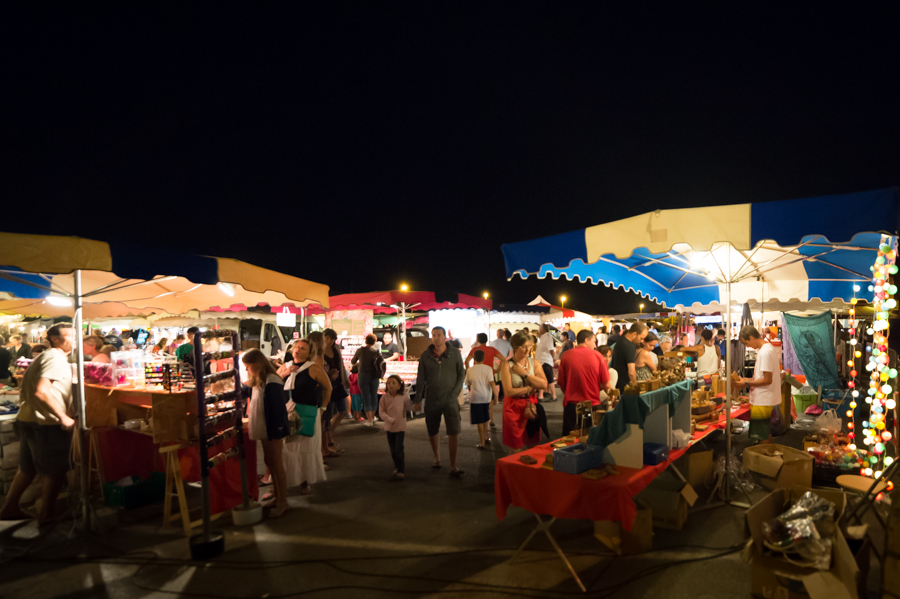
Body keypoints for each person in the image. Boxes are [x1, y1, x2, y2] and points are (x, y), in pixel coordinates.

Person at [0, 324, 75, 524]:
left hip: (28, 419)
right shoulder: (55, 358)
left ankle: (9, 508)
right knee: (55, 470)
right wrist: (63, 416)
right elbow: (42, 391)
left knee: (27, 468)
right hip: (45, 423)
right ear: (54, 338)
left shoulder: (46, 356)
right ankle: (46, 515)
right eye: (69, 336)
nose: (74, 340)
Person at [278, 339, 332, 495]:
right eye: (296, 347)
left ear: (309, 353)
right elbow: (274, 383)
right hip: (286, 411)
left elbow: (327, 388)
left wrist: (323, 407)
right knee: (287, 447)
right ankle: (288, 480)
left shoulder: (313, 368)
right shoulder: (284, 367)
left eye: (302, 348)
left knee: (304, 446)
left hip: (307, 412)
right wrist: (286, 372)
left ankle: (304, 481)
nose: (298, 350)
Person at [242, 348, 290, 517]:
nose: (247, 370)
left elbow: (277, 408)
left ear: (257, 364)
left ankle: (282, 501)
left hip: (272, 428)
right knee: (270, 461)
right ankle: (277, 496)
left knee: (276, 464)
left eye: (248, 366)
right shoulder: (259, 380)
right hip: (265, 427)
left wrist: (275, 430)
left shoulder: (272, 380)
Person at [415, 326, 466, 476]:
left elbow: (461, 375)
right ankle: (436, 458)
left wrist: (455, 393)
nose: (436, 337)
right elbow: (421, 378)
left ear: (445, 337)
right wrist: (418, 398)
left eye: (438, 335)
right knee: (432, 429)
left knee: (453, 430)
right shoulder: (426, 356)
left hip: (450, 399)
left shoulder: (455, 353)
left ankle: (453, 464)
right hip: (431, 398)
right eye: (433, 335)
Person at [733, 326, 782, 443]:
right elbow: (763, 377)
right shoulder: (766, 349)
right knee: (764, 432)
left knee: (761, 435)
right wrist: (746, 379)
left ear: (751, 337)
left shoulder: (765, 352)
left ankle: (763, 458)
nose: (748, 346)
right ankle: (768, 457)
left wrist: (746, 382)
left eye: (746, 343)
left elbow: (767, 379)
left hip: (763, 400)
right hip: (764, 399)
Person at [500, 331, 548, 452]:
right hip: (513, 409)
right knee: (515, 448)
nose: (528, 350)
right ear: (515, 347)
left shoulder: (534, 363)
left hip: (532, 407)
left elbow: (544, 384)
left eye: (530, 346)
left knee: (533, 444)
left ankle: (530, 471)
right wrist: (530, 388)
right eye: (524, 347)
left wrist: (524, 374)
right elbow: (508, 391)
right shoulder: (507, 365)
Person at [558, 329, 610, 437]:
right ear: (587, 340)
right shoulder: (598, 356)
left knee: (569, 439)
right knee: (590, 439)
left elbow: (562, 383)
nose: (595, 345)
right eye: (594, 341)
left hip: (571, 406)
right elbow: (606, 384)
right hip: (592, 404)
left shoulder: (566, 355)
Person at [379, 374, 418, 480]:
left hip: (400, 426)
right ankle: (396, 466)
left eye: (393, 383)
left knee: (398, 448)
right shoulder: (384, 397)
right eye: (389, 383)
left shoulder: (403, 396)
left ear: (399, 386)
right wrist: (388, 419)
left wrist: (416, 407)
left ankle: (401, 469)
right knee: (393, 449)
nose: (390, 385)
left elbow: (409, 406)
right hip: (389, 427)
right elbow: (381, 411)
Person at [465, 333, 503, 428]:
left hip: (477, 376)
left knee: (479, 398)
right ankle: (490, 419)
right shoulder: (492, 349)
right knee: (490, 399)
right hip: (490, 375)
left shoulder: (475, 350)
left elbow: (466, 361)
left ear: (477, 340)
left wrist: (470, 370)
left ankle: (482, 421)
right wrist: (497, 370)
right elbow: (503, 359)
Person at [322, 329, 350, 453]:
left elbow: (341, 364)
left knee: (342, 411)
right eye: (327, 338)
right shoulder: (320, 351)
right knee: (327, 415)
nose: (329, 341)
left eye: (331, 339)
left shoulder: (335, 349)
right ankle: (329, 442)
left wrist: (345, 378)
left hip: (337, 383)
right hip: (327, 384)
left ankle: (330, 437)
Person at [351, 334, 384, 426]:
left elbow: (353, 361)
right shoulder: (376, 351)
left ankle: (369, 420)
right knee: (373, 395)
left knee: (366, 396)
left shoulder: (360, 351)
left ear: (365, 341)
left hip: (363, 376)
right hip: (374, 376)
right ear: (374, 342)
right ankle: (372, 418)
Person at [465, 350, 495, 449]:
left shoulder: (470, 370)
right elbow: (491, 383)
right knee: (486, 418)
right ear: (484, 357)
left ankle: (482, 442)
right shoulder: (488, 369)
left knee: (479, 421)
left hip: (475, 398)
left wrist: (470, 388)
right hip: (486, 397)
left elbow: (468, 384)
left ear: (474, 358)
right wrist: (496, 395)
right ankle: (486, 437)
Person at [609, 323, 648, 390]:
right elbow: (631, 372)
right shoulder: (630, 346)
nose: (641, 341)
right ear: (634, 334)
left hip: (617, 382)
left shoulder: (620, 340)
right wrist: (635, 386)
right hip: (625, 385)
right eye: (641, 338)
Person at [534, 324, 558, 402]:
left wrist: (553, 359)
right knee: (542, 379)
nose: (538, 329)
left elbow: (551, 349)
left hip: (545, 361)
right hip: (542, 361)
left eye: (539, 328)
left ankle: (554, 396)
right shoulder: (543, 337)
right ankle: (541, 396)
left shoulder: (547, 336)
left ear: (542, 329)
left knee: (550, 379)